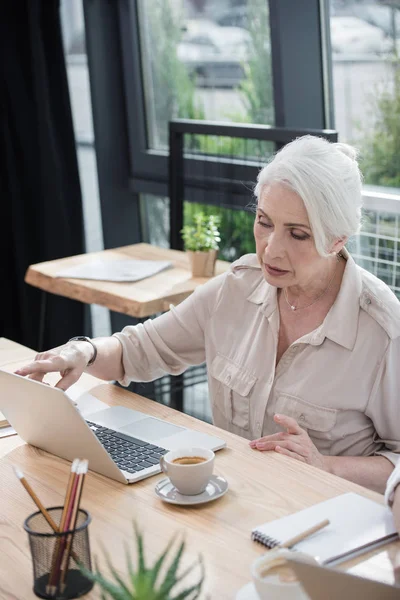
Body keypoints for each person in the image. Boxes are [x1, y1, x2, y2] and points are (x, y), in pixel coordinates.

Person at [16, 135, 400, 494]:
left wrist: (325, 466)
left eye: (297, 234)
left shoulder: (383, 331)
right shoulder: (235, 289)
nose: (270, 251)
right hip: (230, 502)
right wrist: (83, 352)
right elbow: (139, 350)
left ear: (337, 239)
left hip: (320, 517)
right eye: (264, 223)